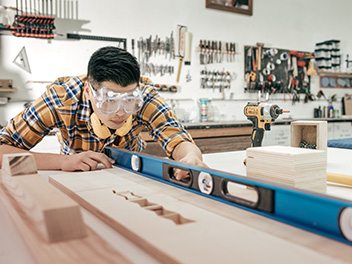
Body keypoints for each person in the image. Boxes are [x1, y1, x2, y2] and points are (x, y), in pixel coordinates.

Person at [0, 46, 206, 180]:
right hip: (76, 176)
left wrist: (190, 156)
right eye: (109, 101)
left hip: (129, 176)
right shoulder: (61, 99)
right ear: (90, 91)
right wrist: (62, 161)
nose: (120, 113)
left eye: (129, 102)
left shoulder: (145, 95)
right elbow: (2, 149)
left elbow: (177, 138)